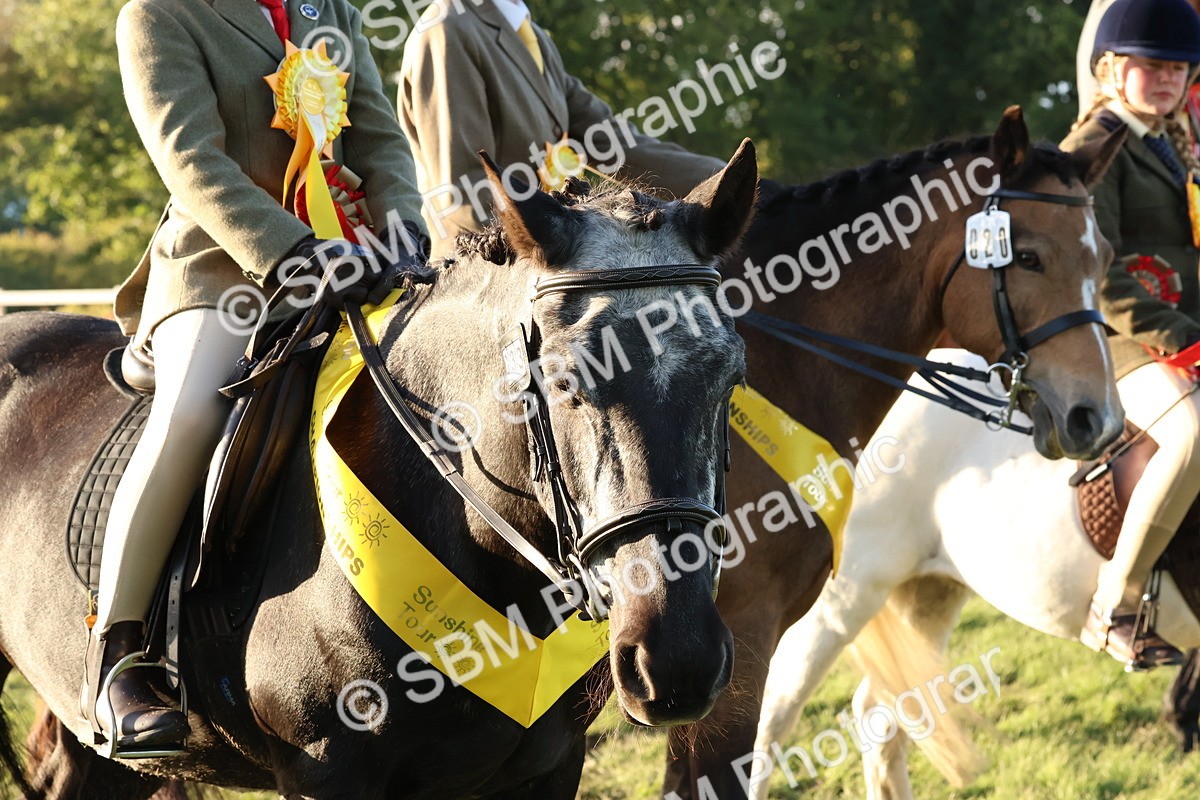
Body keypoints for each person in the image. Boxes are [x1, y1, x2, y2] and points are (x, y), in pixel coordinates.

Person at [88, 0, 428, 755]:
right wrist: (290, 252)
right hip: (225, 269)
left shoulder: (327, 7)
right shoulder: (157, 16)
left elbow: (378, 134)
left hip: (357, 255)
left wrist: (403, 227)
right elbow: (192, 160)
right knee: (194, 414)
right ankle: (117, 657)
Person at [1063, 0, 1200, 669]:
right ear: (1112, 69)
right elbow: (1102, 270)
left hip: (1180, 329)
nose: (1170, 78)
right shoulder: (1094, 148)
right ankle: (1114, 603)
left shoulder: (1165, 143)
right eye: (1153, 66)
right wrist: (1183, 340)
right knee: (1193, 429)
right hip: (1118, 340)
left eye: (1178, 66)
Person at [397, 0, 729, 256]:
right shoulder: (447, 31)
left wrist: (726, 180)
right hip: (495, 284)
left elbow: (614, 142)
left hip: (550, 262)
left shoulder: (531, 35)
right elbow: (464, 195)